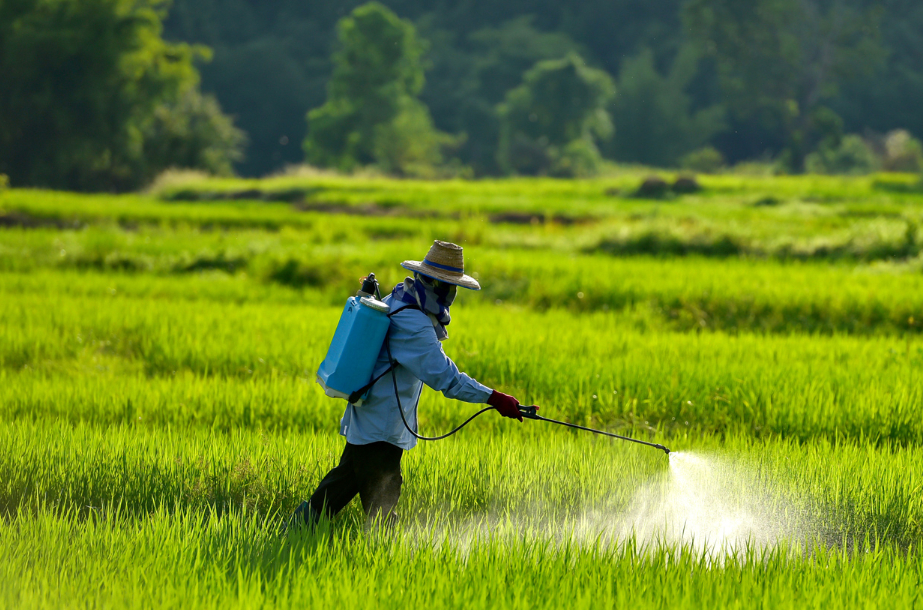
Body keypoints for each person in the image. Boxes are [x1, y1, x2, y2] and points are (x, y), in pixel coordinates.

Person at [291, 240, 525, 528]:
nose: (452, 295)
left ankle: (295, 531)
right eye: (450, 288)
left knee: (342, 482)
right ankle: (387, 554)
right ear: (435, 285)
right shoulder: (413, 322)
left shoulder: (398, 299)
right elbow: (446, 378)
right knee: (383, 505)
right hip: (382, 426)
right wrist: (494, 398)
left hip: (369, 417)